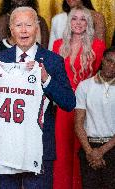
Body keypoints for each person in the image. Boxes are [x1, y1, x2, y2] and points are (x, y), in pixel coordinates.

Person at [0, 7, 75, 188]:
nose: (23, 30)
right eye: (18, 25)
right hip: (5, 148)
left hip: (39, 148)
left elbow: (69, 102)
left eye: (28, 25)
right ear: (11, 29)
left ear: (36, 28)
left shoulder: (52, 61)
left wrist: (46, 79)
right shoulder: (0, 58)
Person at [52, 6, 106, 189]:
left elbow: (99, 79)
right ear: (69, 22)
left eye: (83, 19)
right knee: (62, 151)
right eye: (74, 18)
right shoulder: (58, 45)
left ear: (88, 23)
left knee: (79, 149)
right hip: (63, 105)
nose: (78, 23)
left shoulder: (98, 46)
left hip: (87, 107)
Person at [74, 46, 115, 189]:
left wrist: (101, 152)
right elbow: (78, 124)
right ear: (102, 60)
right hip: (89, 148)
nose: (112, 66)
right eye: (109, 61)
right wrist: (91, 152)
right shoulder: (85, 86)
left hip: (112, 148)